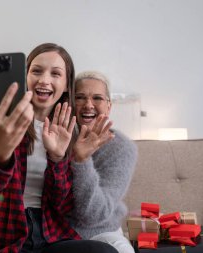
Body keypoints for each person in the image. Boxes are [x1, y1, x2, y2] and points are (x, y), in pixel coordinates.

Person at [0, 44, 117, 253]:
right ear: (25, 76)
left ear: (66, 85)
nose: (44, 80)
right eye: (36, 71)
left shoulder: (69, 130)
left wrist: (58, 158)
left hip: (49, 237)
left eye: (56, 74)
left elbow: (62, 204)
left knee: (104, 251)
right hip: (2, 236)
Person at [70, 70, 138, 253]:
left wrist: (81, 160)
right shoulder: (57, 137)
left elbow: (94, 215)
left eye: (97, 98)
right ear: (70, 102)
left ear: (109, 106)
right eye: (80, 97)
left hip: (101, 232)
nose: (88, 105)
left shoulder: (122, 148)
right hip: (55, 234)